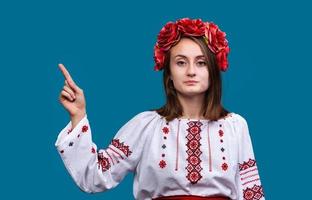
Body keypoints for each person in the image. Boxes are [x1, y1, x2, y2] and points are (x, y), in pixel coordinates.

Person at [55, 18, 265, 200]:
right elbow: (95, 177)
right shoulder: (146, 125)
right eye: (181, 62)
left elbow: (250, 194)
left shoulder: (235, 126)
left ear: (213, 70)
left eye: (201, 63)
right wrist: (78, 116)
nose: (191, 71)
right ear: (169, 72)